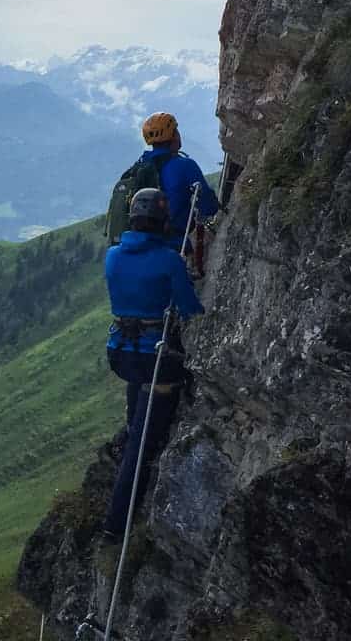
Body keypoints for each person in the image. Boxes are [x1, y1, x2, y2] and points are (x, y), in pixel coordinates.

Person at [101, 188, 204, 541]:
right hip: (155, 358)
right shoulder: (168, 259)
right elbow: (190, 307)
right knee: (142, 445)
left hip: (120, 352)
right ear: (162, 223)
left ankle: (135, 424)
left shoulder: (112, 255)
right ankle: (117, 525)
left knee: (137, 422)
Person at [139, 112, 221, 250]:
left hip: (141, 244)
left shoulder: (140, 167)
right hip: (174, 244)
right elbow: (208, 207)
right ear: (173, 135)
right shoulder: (185, 165)